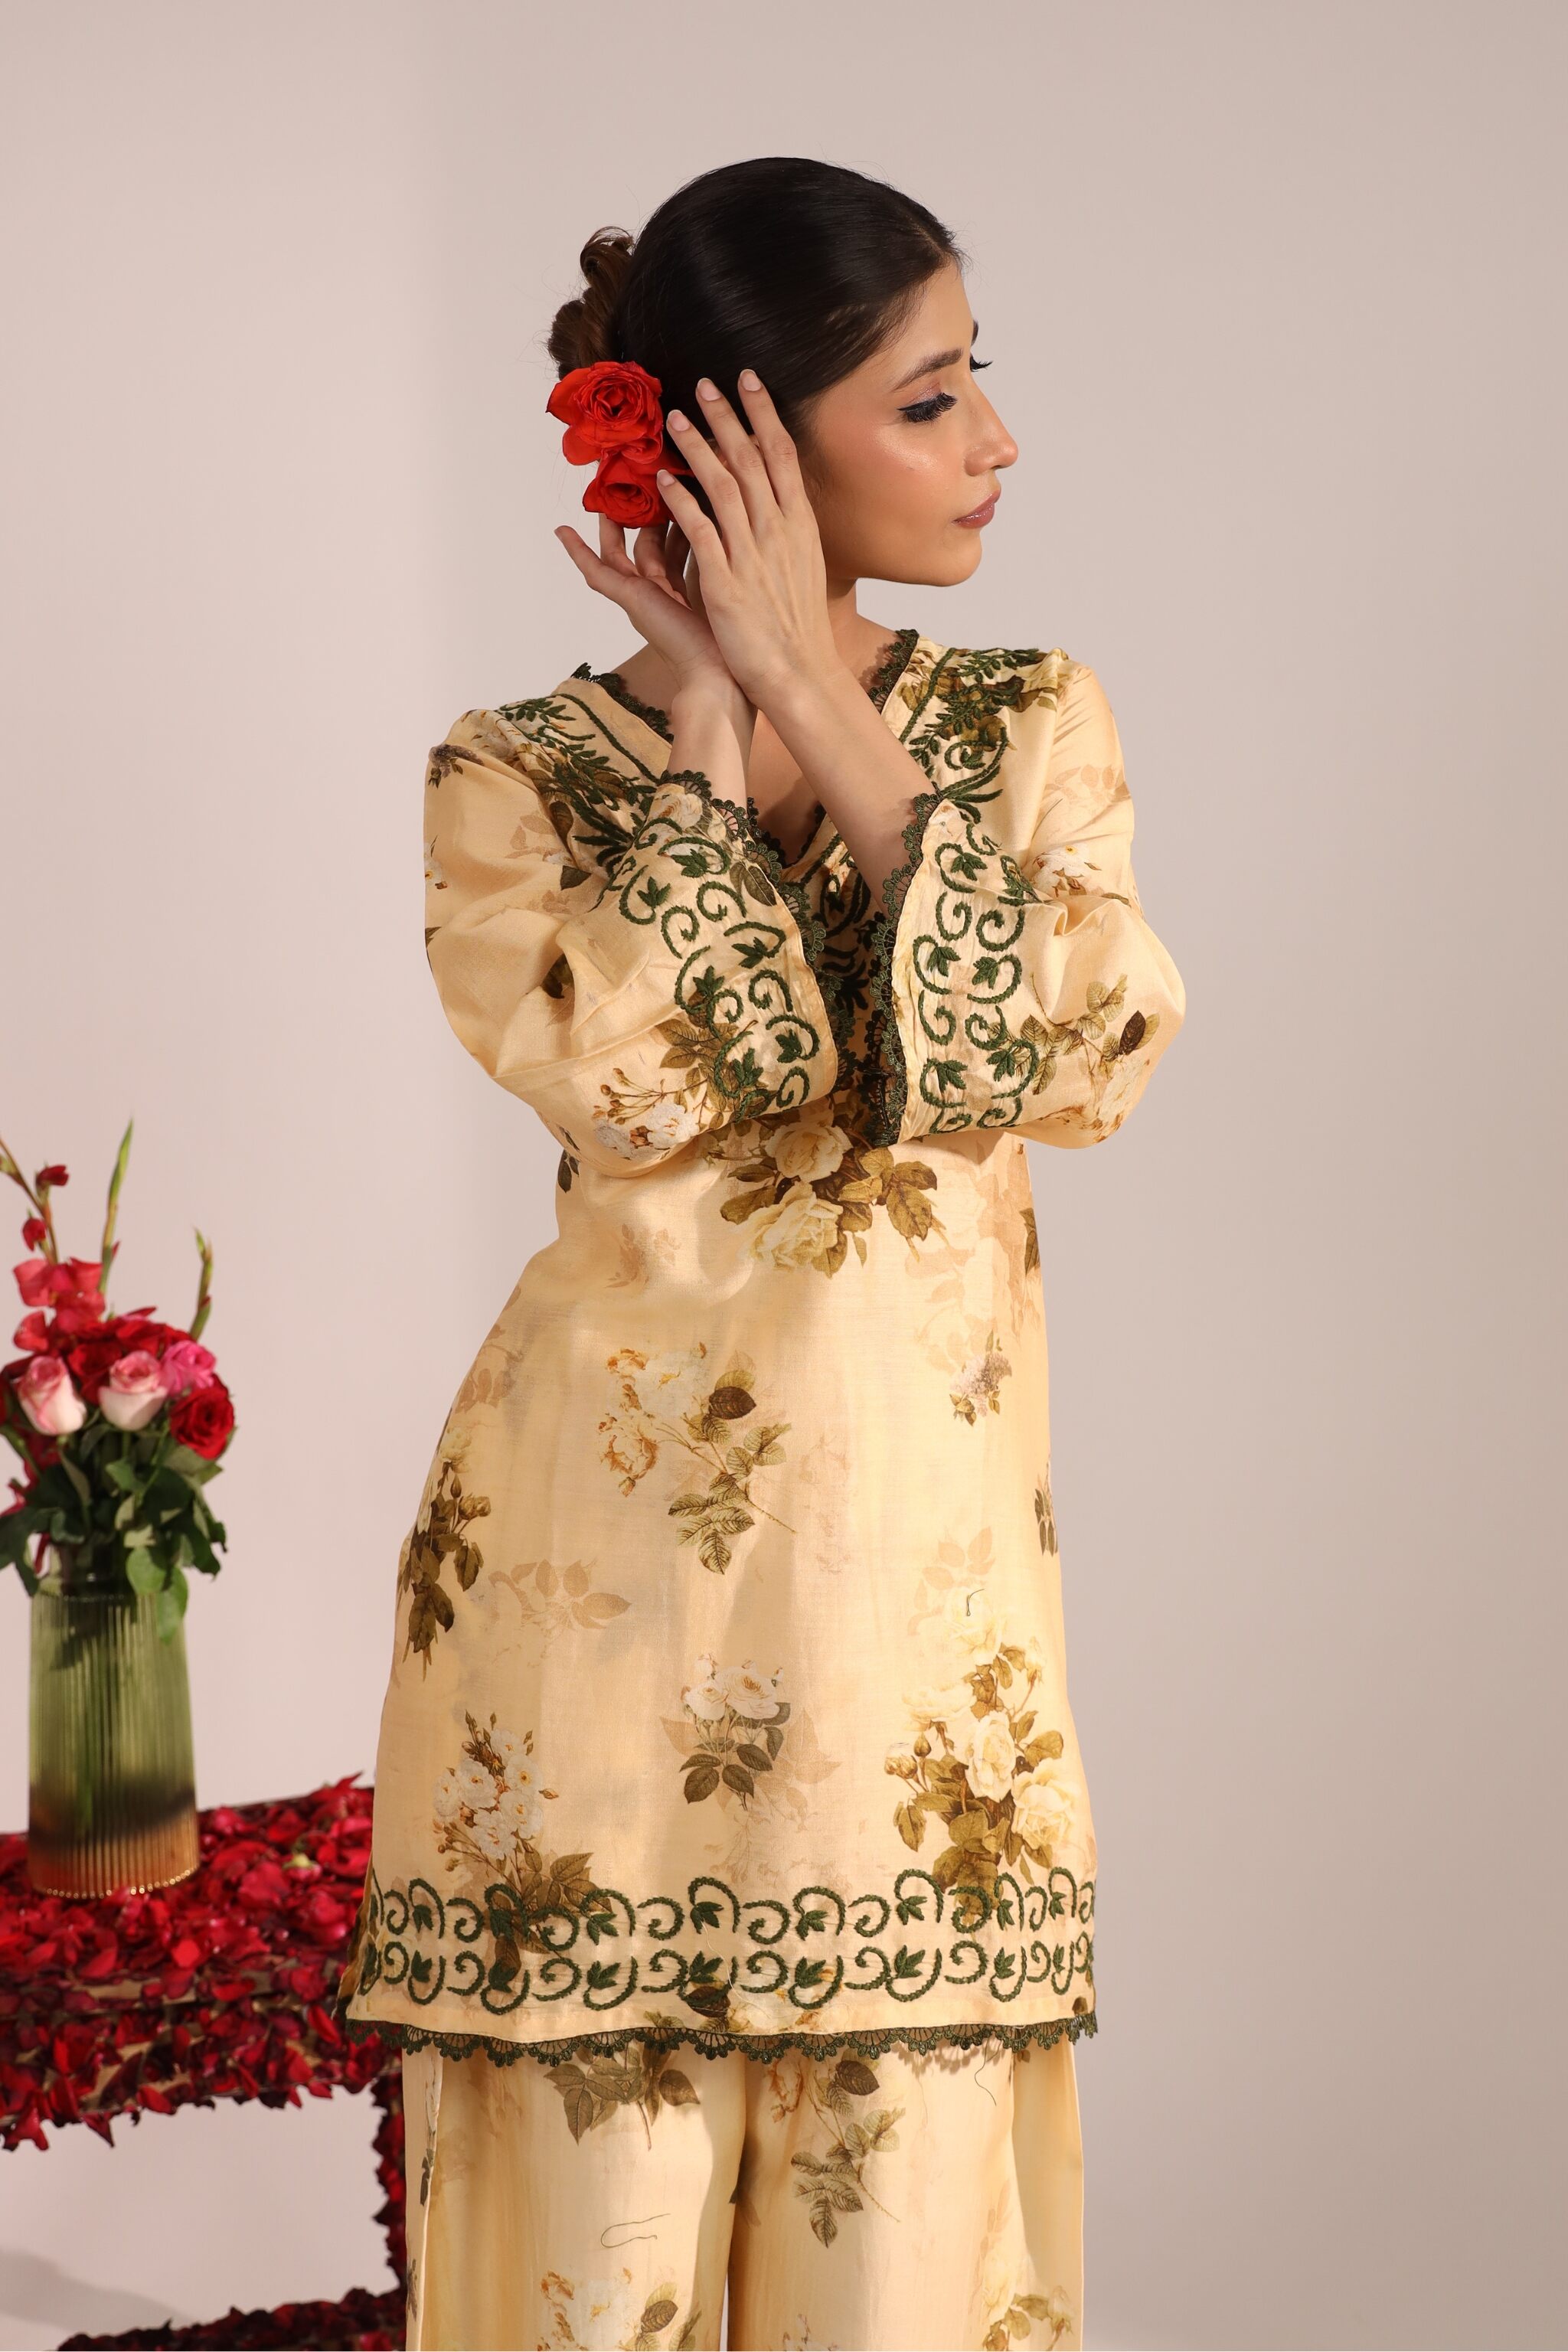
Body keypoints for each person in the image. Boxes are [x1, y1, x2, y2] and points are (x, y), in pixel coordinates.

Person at [335, 154, 1186, 2352]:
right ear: (740, 443)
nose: (996, 441)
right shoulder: (521, 775)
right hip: (583, 1661)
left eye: (974, 381)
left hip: (916, 1693)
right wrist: (709, 745)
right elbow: (641, 1087)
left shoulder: (1028, 728)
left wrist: (826, 706)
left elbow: (1065, 1055)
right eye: (928, 398)